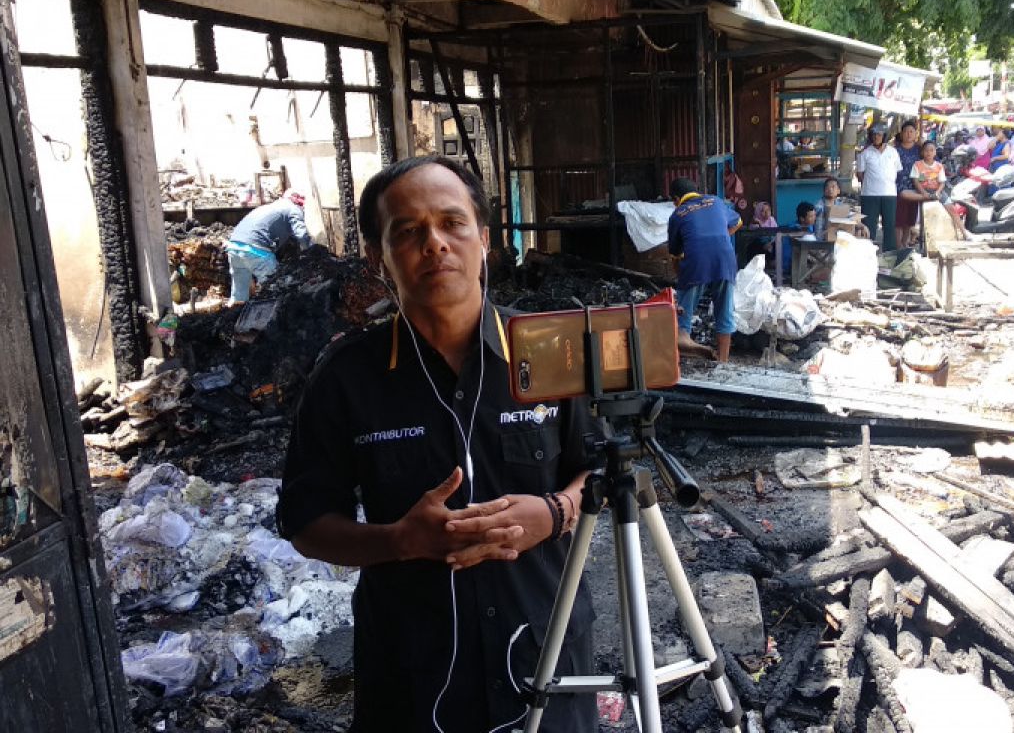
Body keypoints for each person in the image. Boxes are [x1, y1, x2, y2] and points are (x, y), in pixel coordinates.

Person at [278, 156, 599, 732]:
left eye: (452, 223)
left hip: (543, 649)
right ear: (379, 260)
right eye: (408, 231)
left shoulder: (550, 351)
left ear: (483, 238)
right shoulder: (346, 378)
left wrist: (553, 514)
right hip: (412, 668)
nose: (435, 244)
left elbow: (601, 472)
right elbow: (305, 523)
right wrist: (398, 541)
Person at [667, 177, 741, 362]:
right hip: (725, 260)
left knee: (683, 313)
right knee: (725, 312)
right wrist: (721, 237)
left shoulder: (677, 215)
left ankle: (682, 351)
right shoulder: (715, 201)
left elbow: (676, 255)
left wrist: (681, 278)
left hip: (696, 263)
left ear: (676, 199)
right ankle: (723, 362)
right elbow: (737, 222)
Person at [225, 189, 311, 304]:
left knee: (239, 295)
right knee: (275, 290)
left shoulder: (267, 207)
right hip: (256, 250)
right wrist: (311, 254)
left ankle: (233, 318)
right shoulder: (293, 209)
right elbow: (302, 235)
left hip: (234, 247)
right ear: (298, 202)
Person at [855, 123, 902, 252]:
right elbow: (860, 175)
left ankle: (889, 254)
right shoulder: (865, 153)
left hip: (890, 194)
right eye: (874, 134)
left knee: (890, 225)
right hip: (869, 194)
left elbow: (897, 171)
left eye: (879, 134)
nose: (876, 137)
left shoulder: (893, 152)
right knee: (869, 225)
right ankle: (869, 253)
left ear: (884, 136)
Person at [893, 120, 924, 250]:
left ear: (915, 134)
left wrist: (922, 184)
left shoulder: (919, 150)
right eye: (906, 131)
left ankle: (905, 244)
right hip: (897, 188)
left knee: (909, 220)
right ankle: (897, 245)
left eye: (911, 131)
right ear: (901, 134)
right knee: (898, 220)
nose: (909, 134)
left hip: (914, 189)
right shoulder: (895, 150)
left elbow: (926, 166)